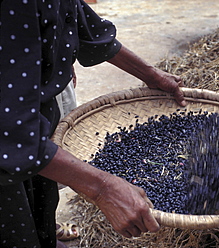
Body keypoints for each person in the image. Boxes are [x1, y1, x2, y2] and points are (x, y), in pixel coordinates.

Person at [0, 0, 186, 247]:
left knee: (41, 204)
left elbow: (78, 19)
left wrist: (151, 74)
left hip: (34, 118)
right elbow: (11, 136)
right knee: (15, 226)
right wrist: (103, 189)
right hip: (10, 137)